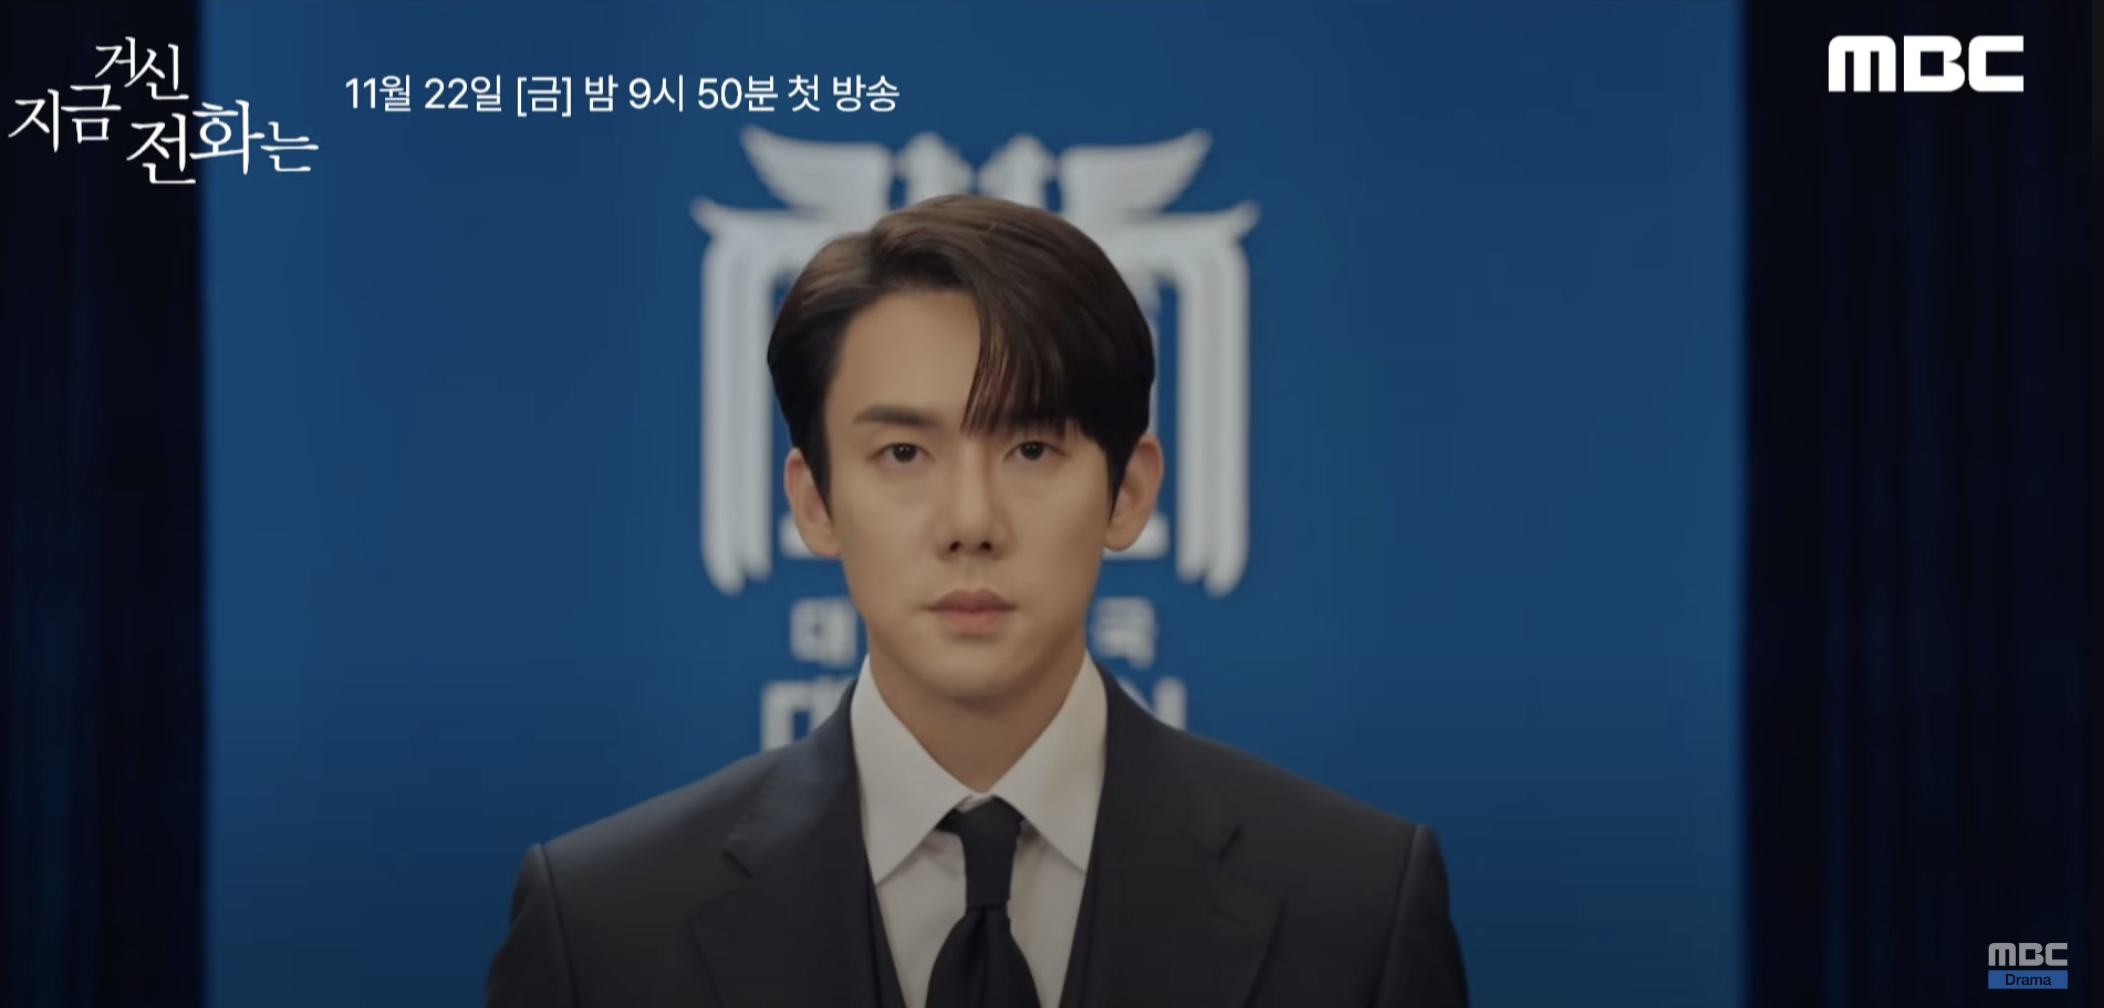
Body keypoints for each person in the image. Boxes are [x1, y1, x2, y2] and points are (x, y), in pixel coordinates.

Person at [483, 194, 1469, 1008]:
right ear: (814, 500)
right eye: (902, 453)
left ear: (1129, 491)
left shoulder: (1354, 906)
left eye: (1031, 448)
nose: (970, 522)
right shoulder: (604, 927)